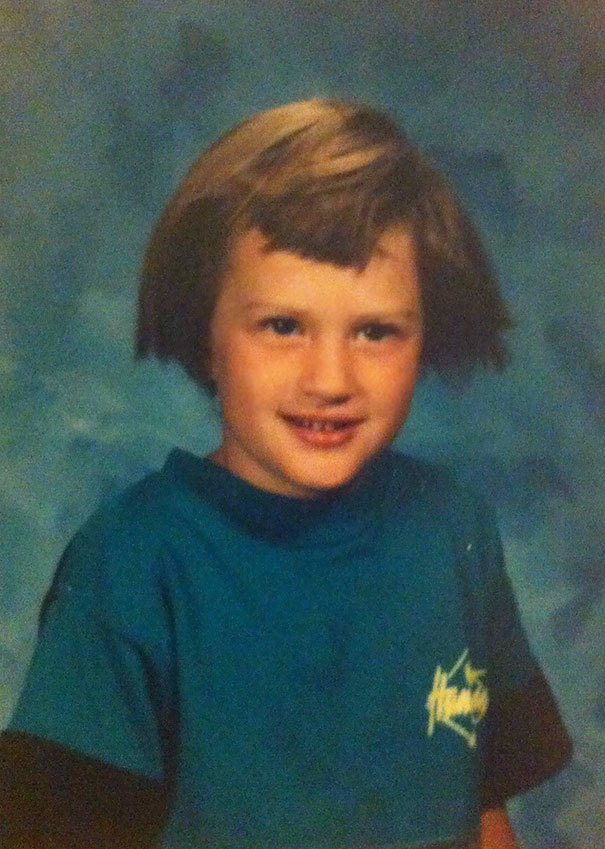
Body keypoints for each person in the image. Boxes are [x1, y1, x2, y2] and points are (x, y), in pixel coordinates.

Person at [0, 99, 572, 849]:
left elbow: (480, 810)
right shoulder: (132, 563)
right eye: (282, 326)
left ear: (426, 335)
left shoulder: (453, 528)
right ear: (207, 334)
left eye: (375, 330)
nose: (330, 378)